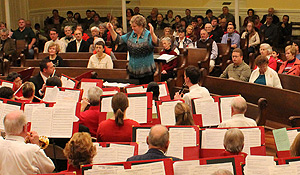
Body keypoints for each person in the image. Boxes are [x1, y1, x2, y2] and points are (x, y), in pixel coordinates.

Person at [107, 15, 158, 84]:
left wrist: (152, 33)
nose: (132, 28)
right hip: (132, 71)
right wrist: (111, 29)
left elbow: (155, 42)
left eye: (134, 26)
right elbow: (118, 40)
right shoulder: (130, 35)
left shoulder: (148, 35)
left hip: (146, 72)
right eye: (132, 26)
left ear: (141, 26)